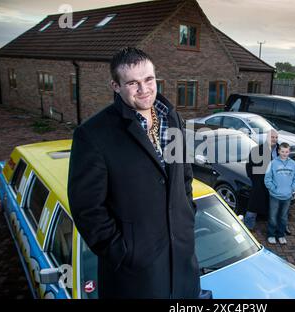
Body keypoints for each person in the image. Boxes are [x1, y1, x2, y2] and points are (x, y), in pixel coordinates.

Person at [68, 47, 200, 298]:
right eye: (132, 83)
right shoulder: (92, 135)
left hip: (183, 264)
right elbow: (87, 209)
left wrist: (187, 216)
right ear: (115, 86)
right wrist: (123, 251)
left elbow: (184, 176)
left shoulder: (173, 119)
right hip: (135, 277)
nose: (144, 89)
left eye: (149, 79)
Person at [244, 130, 279, 230]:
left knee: (274, 209)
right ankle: (248, 228)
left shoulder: (280, 150)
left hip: (274, 185)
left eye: (276, 137)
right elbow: (249, 167)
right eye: (272, 137)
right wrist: (256, 181)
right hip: (260, 184)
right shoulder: (257, 150)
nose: (274, 139)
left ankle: (274, 229)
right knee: (252, 209)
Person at [264, 143, 295, 244]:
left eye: (287, 151)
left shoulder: (293, 163)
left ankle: (281, 235)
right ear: (278, 151)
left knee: (283, 217)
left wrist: (291, 188)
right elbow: (267, 179)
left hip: (287, 196)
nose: (284, 153)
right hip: (275, 196)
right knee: (273, 216)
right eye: (282, 151)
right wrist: (273, 189)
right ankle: (271, 234)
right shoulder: (273, 163)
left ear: (289, 152)